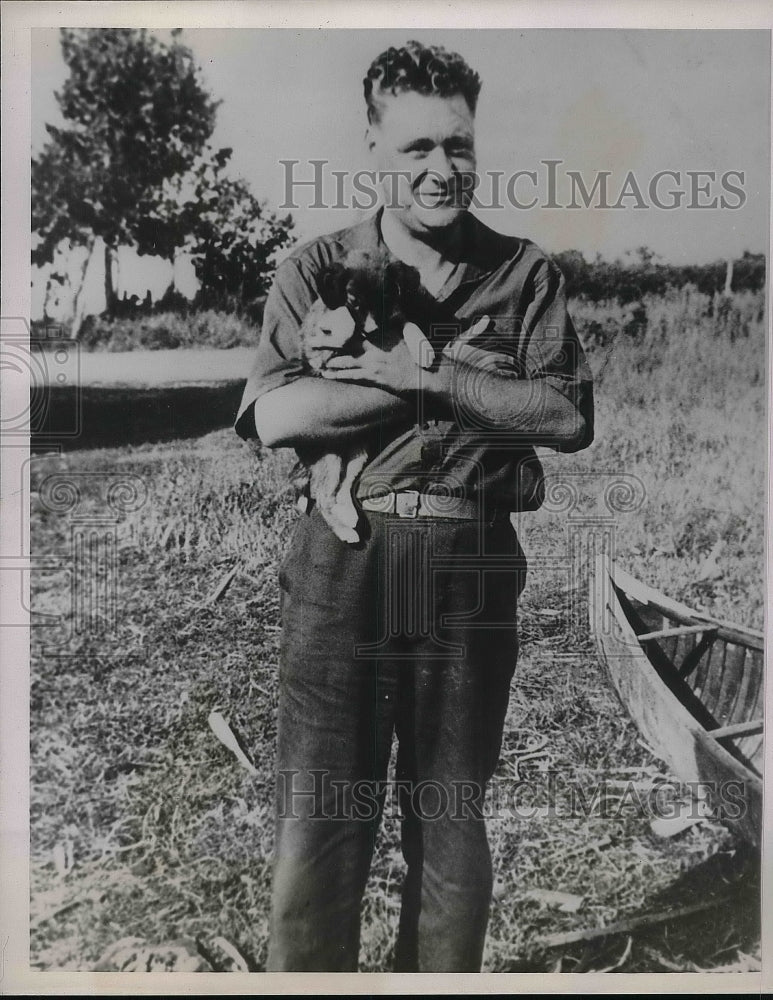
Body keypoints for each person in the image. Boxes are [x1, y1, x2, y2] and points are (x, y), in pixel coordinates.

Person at [234, 39, 594, 972]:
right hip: (341, 567)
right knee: (318, 824)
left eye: (459, 146)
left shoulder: (522, 275)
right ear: (371, 149)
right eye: (416, 150)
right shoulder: (314, 269)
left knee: (450, 824)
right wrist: (434, 380)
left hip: (466, 566)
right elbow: (277, 414)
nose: (442, 170)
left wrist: (427, 369)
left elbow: (563, 413)